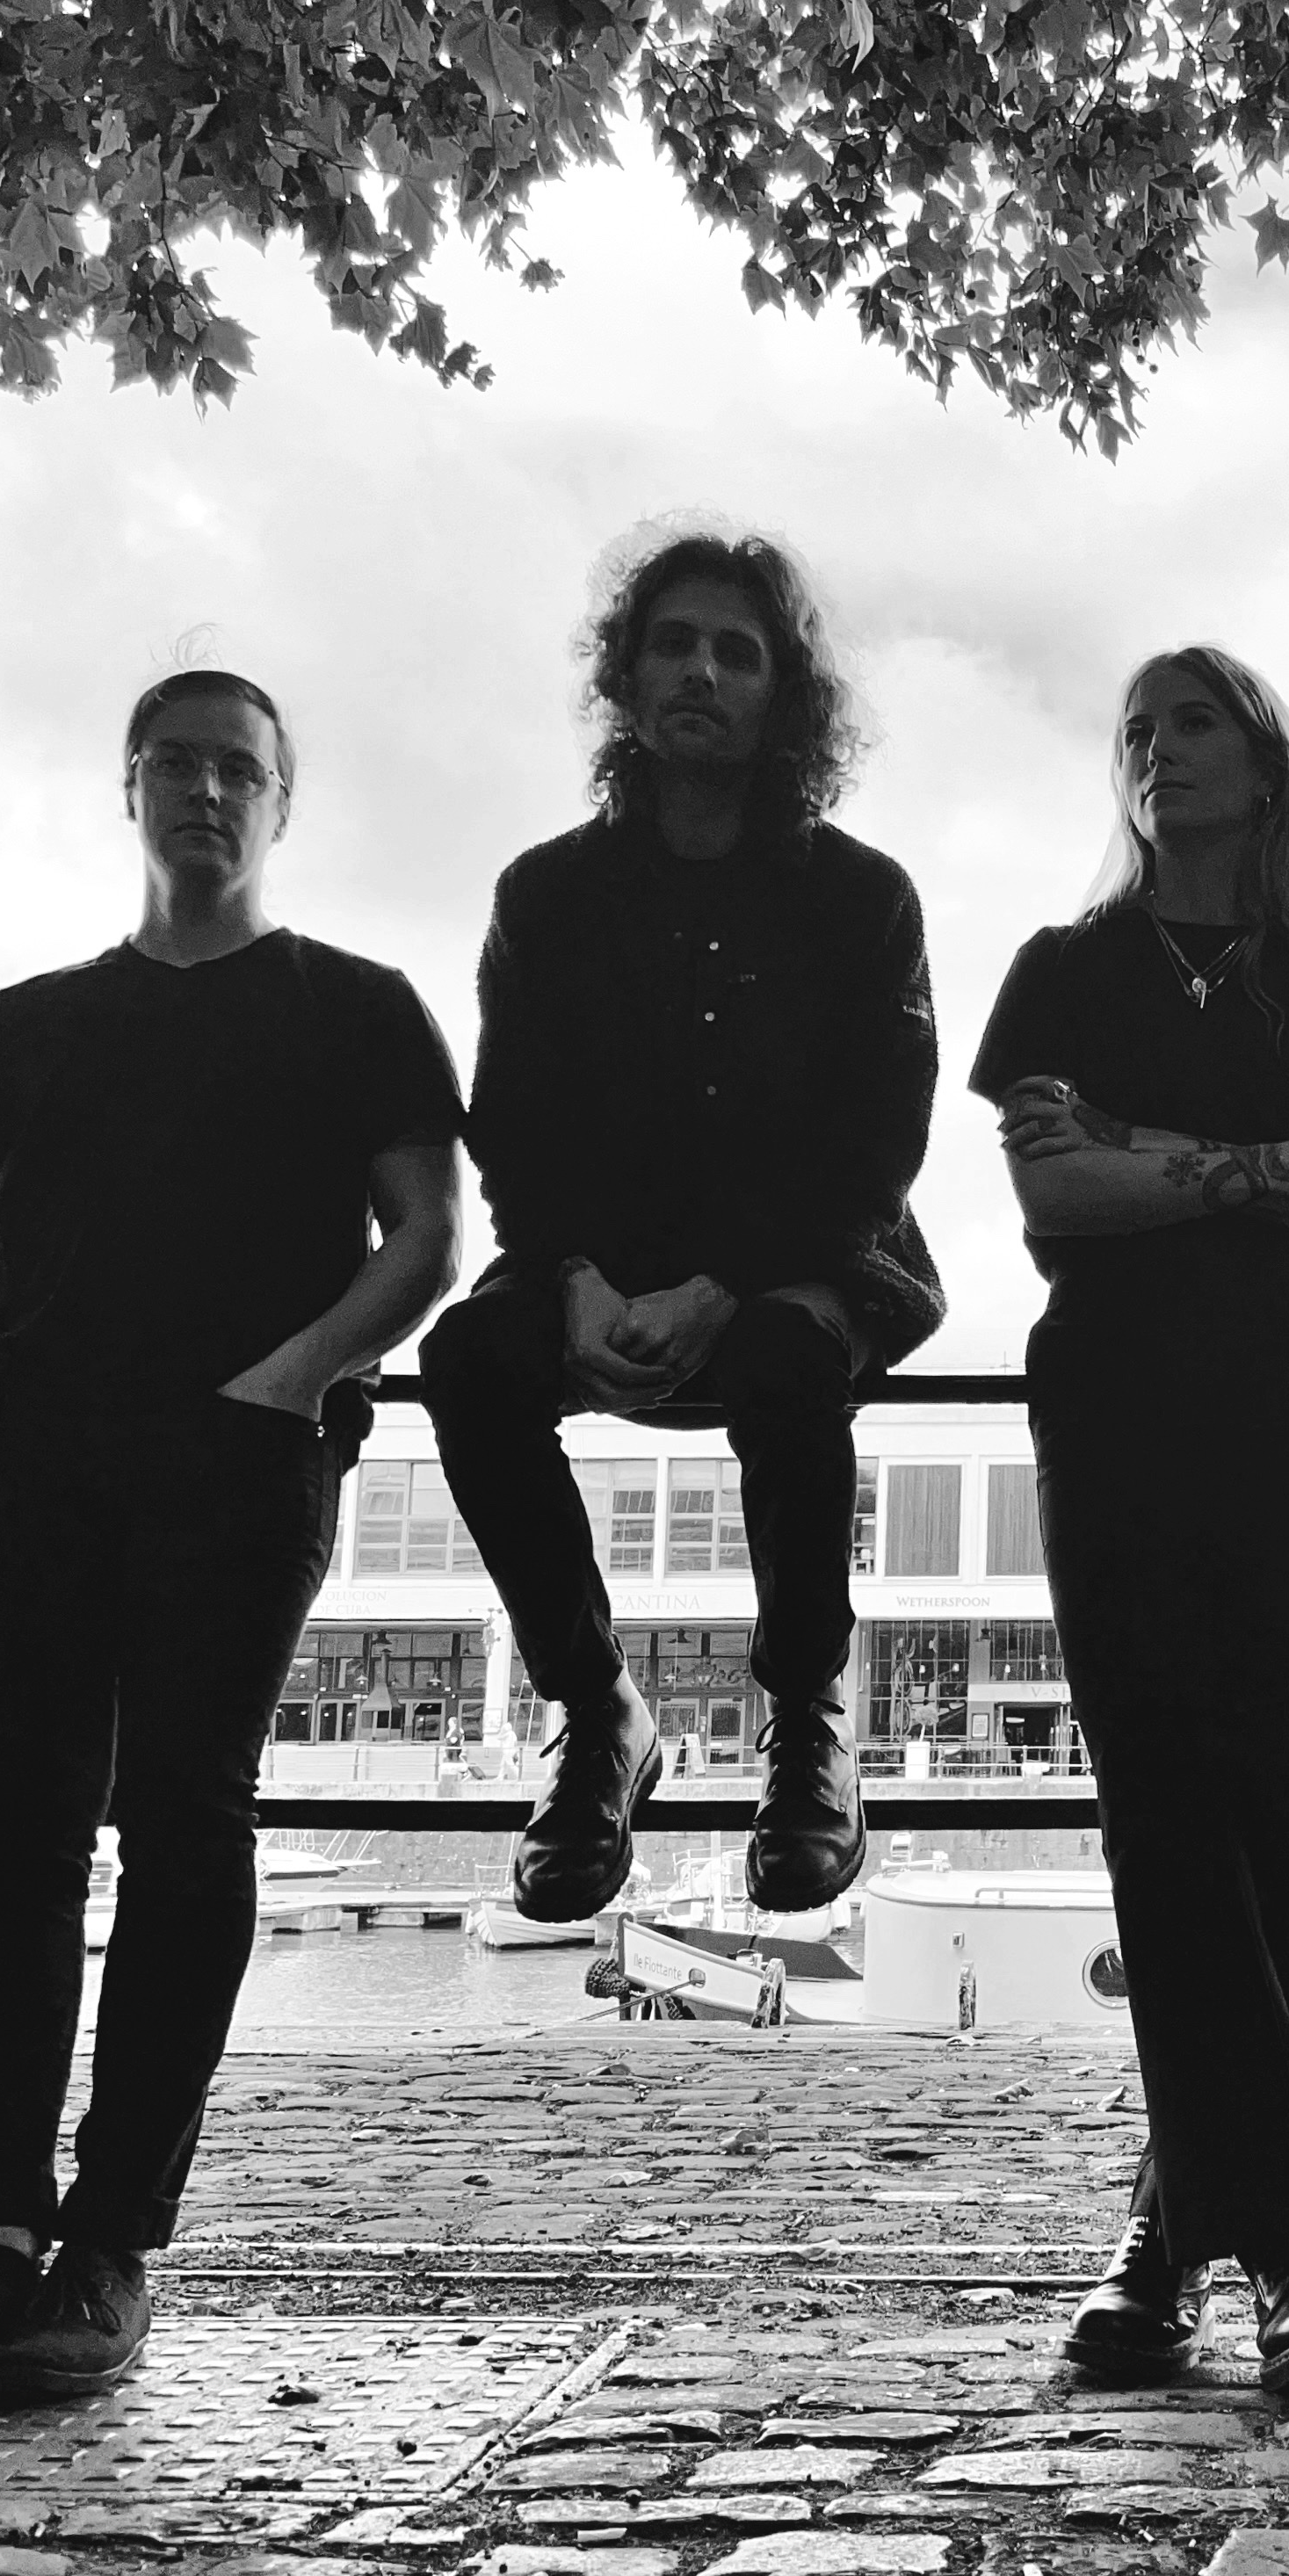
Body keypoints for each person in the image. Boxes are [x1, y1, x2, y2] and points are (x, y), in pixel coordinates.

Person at [0, 669, 464, 2406]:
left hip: (242, 1462)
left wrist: (290, 1380)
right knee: (12, 1829)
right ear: (130, 788)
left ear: (279, 800)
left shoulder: (354, 1008)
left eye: (238, 767)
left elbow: (425, 1236)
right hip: (26, 1459)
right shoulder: (30, 1021)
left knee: (186, 1822)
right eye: (173, 762)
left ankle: (110, 2241)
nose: (205, 789)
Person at [974, 648, 1289, 2391]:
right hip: (1112, 1399)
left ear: (1262, 761)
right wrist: (1257, 1167)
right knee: (1160, 1797)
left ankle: (1170, 2236)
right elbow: (1051, 1192)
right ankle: (1284, 2245)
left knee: (1267, 1808)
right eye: (1136, 729)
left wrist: (1156, 1153)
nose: (1155, 750)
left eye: (1192, 722)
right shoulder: (1064, 967)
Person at [420, 529, 943, 1928]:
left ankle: (808, 1720)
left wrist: (721, 1283)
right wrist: (575, 1277)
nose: (701, 671)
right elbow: (512, 1120)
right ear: (627, 677)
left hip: (807, 1261)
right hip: (592, 1261)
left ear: (783, 694)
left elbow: (875, 1144)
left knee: (784, 1359)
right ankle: (598, 1715)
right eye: (673, 642)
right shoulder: (546, 894)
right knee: (467, 1361)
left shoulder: (862, 897)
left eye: (736, 650)